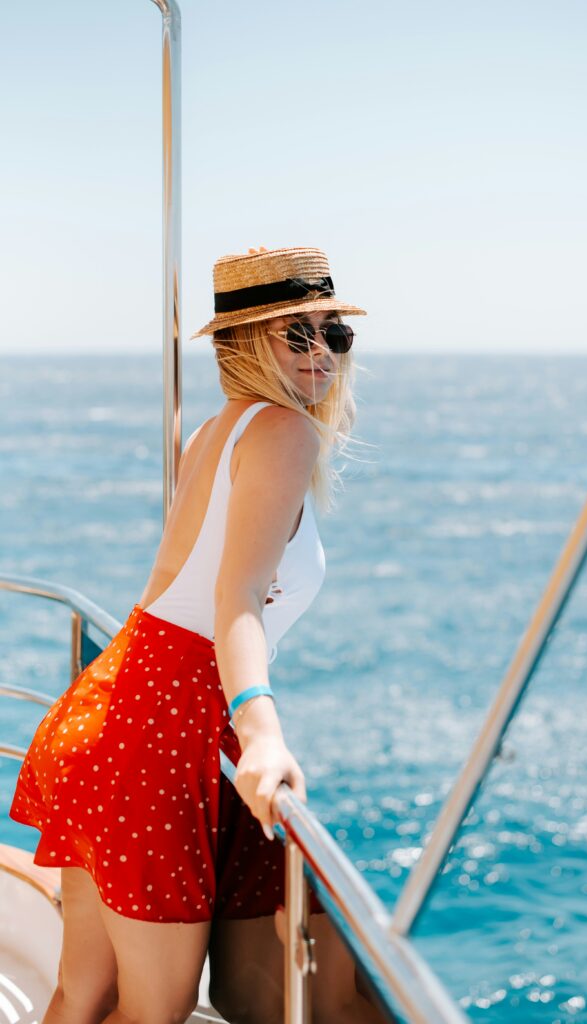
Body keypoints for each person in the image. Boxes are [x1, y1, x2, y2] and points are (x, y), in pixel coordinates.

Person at [9, 245, 386, 1024]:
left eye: (334, 334)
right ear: (244, 343)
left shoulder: (221, 429)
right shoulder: (281, 431)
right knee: (156, 1011)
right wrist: (263, 732)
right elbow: (235, 597)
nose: (322, 354)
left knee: (85, 995)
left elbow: (180, 598)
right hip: (155, 733)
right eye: (298, 334)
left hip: (114, 714)